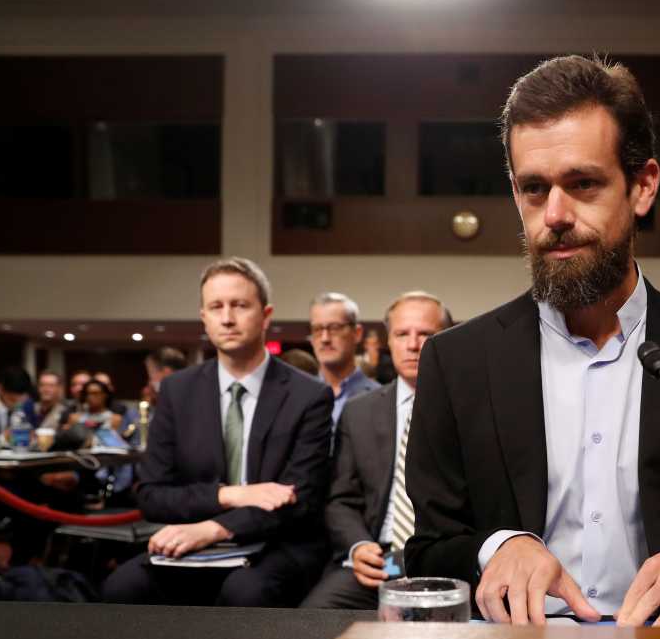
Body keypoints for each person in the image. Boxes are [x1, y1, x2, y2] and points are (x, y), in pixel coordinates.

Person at [404, 54, 660, 626]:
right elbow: (429, 546)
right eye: (534, 188)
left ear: (642, 186)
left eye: (583, 184)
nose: (554, 214)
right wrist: (497, 547)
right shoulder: (456, 362)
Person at [102, 257, 333, 608]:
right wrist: (230, 496)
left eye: (240, 305)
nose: (227, 318)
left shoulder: (308, 395)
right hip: (191, 541)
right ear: (204, 318)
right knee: (121, 587)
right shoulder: (177, 391)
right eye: (216, 307)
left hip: (277, 542)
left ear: (265, 315)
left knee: (245, 592)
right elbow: (151, 495)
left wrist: (214, 528)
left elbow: (300, 501)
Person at [302, 292, 450, 609]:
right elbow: (341, 498)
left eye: (425, 334)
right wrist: (357, 546)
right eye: (401, 334)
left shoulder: (470, 409)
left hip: (444, 559)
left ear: (447, 339)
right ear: (389, 341)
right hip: (377, 558)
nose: (413, 345)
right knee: (313, 617)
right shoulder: (359, 412)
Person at [309, 292, 380, 431]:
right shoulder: (296, 395)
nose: (325, 338)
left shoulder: (380, 398)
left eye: (335, 328)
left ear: (357, 333)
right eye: (317, 329)